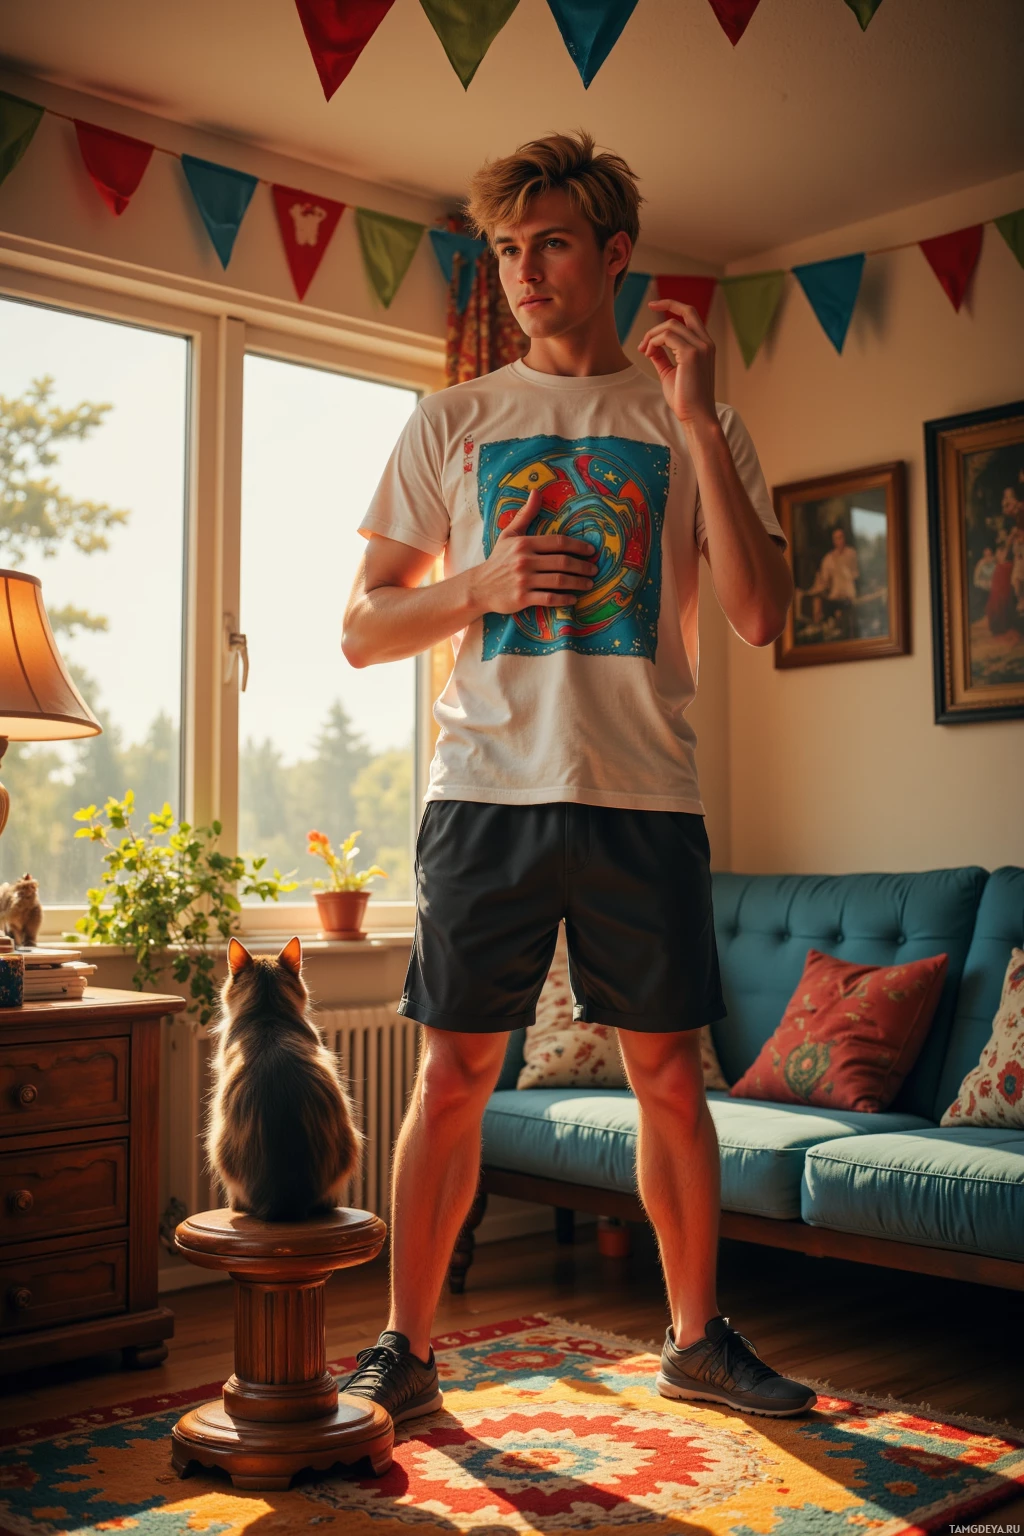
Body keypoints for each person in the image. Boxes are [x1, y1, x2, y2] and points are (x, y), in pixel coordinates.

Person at [339, 130, 813, 1422]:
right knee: (453, 1077)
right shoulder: (453, 419)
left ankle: (698, 1338)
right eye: (505, 247)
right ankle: (406, 1348)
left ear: (615, 254)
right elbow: (362, 624)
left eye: (550, 242)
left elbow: (763, 615)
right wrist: (478, 586)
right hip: (483, 791)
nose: (523, 270)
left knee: (671, 1075)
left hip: (645, 796)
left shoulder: (698, 424)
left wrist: (698, 421)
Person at [805, 525, 859, 638]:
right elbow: (824, 582)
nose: (840, 540)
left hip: (849, 595)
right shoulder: (828, 559)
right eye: (837, 538)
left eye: (841, 537)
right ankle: (818, 627)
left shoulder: (851, 554)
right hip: (834, 596)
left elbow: (855, 576)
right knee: (817, 600)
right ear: (833, 540)